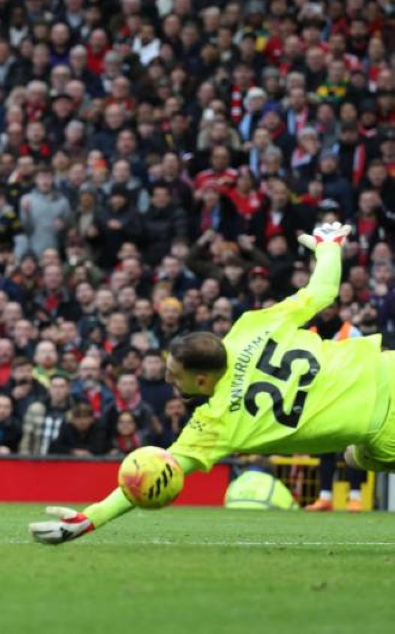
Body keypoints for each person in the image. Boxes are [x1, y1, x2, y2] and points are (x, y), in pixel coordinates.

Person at [31, 223, 395, 545]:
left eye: (175, 374)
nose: (168, 379)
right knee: (358, 456)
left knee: (361, 456)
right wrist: (329, 247)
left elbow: (155, 474)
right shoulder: (252, 326)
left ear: (202, 378)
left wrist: (91, 518)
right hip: (386, 367)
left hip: (383, 431)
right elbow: (323, 291)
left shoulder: (215, 423)